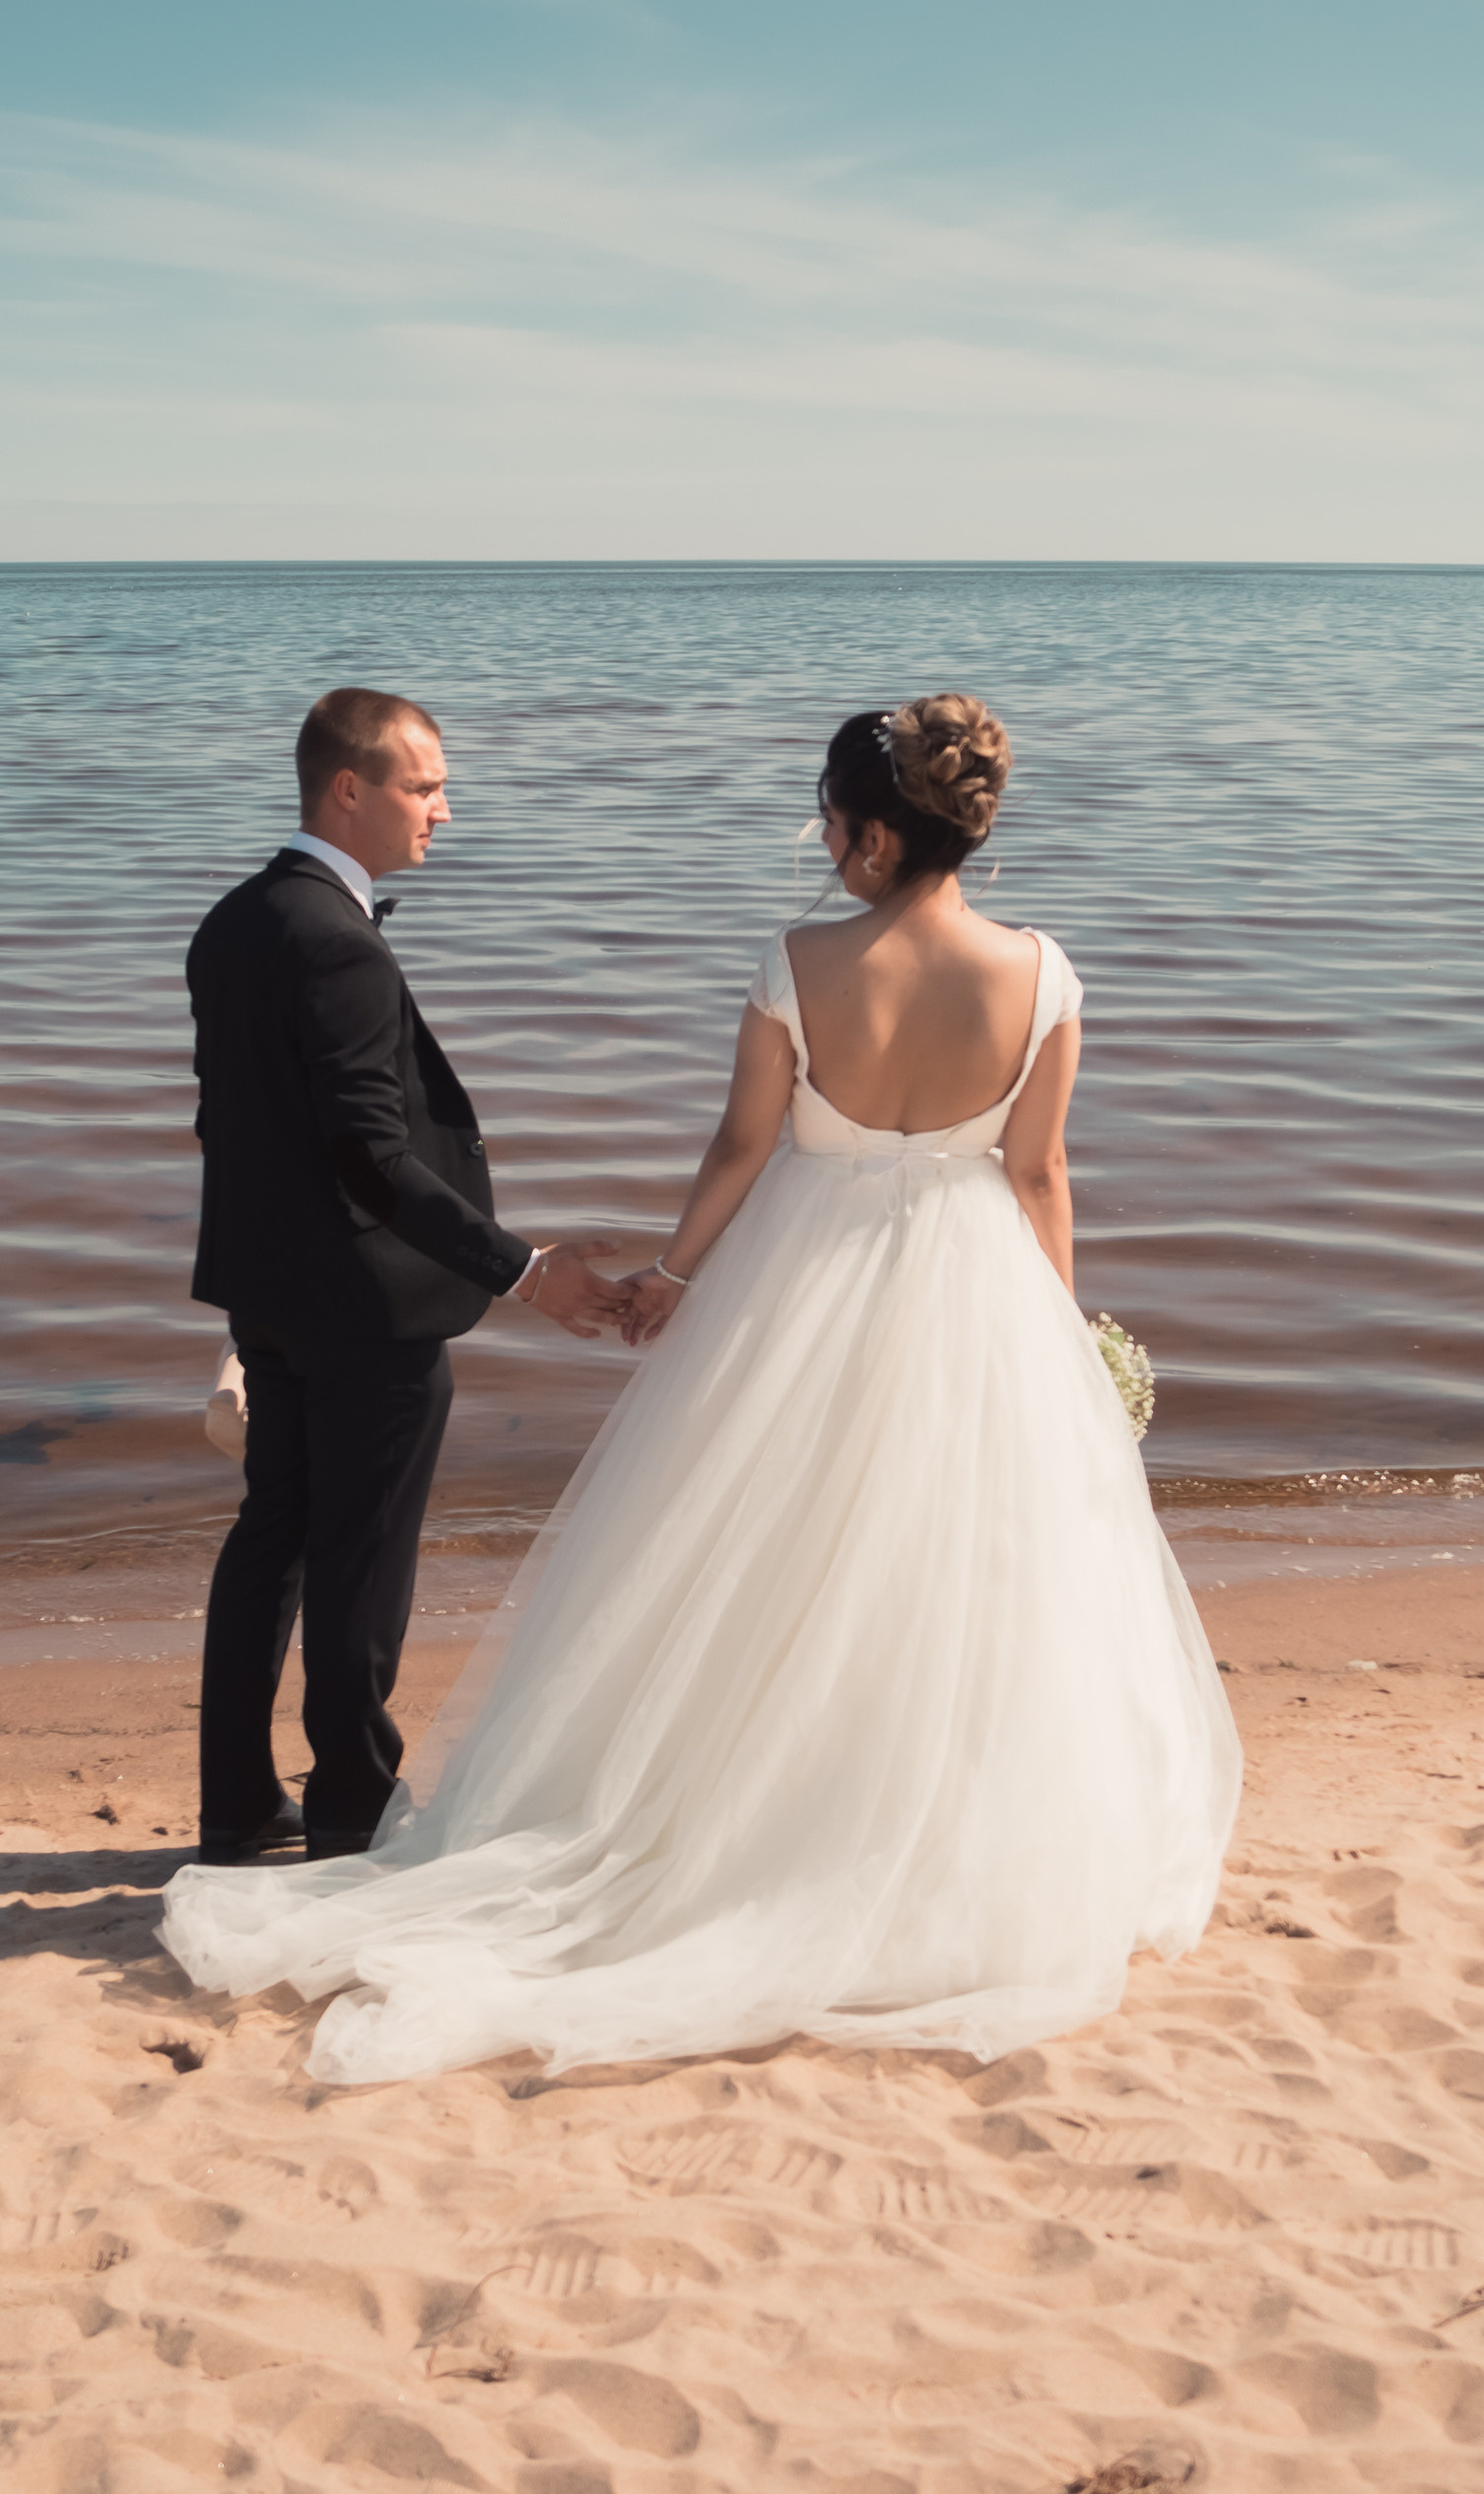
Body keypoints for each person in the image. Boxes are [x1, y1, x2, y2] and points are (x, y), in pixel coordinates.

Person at [163, 694, 1241, 2076]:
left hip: (804, 1290)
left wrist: (669, 1277)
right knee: (963, 1568)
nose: (823, 843)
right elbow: (1037, 1174)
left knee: (759, 1552)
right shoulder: (1044, 976)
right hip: (979, 1296)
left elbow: (742, 1146)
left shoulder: (798, 963)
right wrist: (1061, 1336)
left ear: (868, 836)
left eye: (829, 822)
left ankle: (316, 1808)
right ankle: (931, 1835)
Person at [183, 687, 629, 1866]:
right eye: (424, 786)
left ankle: (234, 1802)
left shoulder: (234, 919)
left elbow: (227, 1124)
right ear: (350, 789)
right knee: (362, 1560)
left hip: (271, 1295)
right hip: (365, 1310)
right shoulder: (339, 943)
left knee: (272, 1538)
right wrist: (524, 1273)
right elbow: (371, 1160)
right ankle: (351, 1804)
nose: (443, 808)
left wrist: (263, 1285)